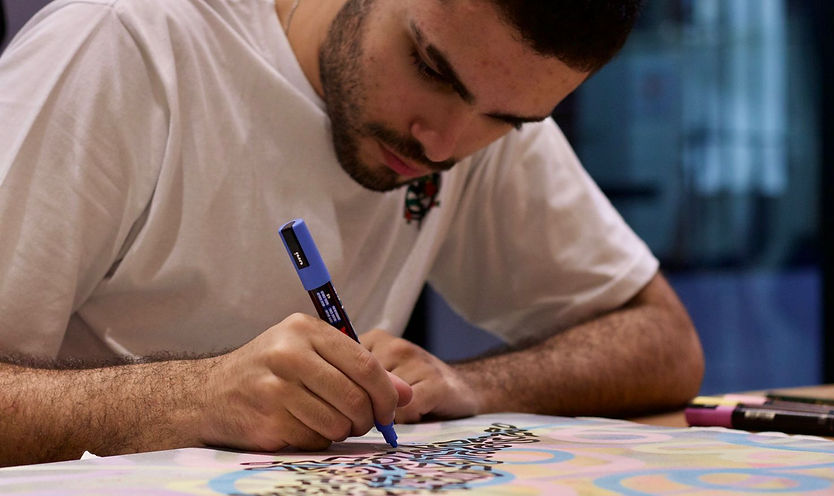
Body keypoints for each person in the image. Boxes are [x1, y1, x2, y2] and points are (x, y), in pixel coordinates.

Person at [0, 0, 704, 467]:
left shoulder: (483, 90)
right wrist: (192, 398)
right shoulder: (123, 47)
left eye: (508, 120)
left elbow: (661, 341)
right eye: (429, 68)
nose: (443, 146)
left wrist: (471, 386)